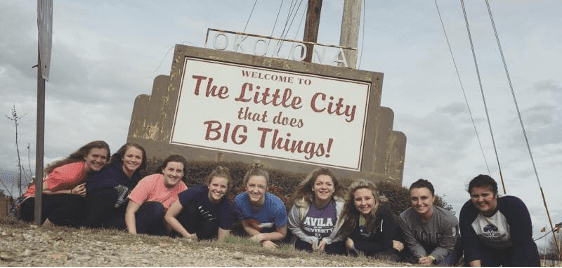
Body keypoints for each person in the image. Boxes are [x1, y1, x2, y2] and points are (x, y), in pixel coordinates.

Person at [19, 140, 110, 227]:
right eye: (95, 156)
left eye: (103, 157)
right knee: (75, 200)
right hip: (31, 203)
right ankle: (45, 227)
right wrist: (70, 192)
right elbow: (38, 191)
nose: (98, 160)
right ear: (85, 156)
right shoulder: (71, 174)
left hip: (50, 202)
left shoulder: (93, 173)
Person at [459, 174, 540, 267]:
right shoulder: (467, 211)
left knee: (528, 250)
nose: (480, 200)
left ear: (495, 194)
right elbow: (470, 246)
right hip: (487, 250)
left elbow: (522, 244)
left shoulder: (514, 206)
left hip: (515, 248)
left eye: (485, 195)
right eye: (475, 196)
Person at [81, 143, 147, 229]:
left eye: (138, 157)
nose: (133, 160)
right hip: (92, 209)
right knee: (111, 193)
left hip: (112, 213)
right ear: (122, 157)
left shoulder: (138, 180)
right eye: (130, 156)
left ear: (142, 161)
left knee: (119, 225)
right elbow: (90, 191)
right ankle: (86, 225)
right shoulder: (108, 171)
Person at [338, 179, 404, 261]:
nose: (363, 203)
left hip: (390, 254)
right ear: (353, 201)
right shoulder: (353, 215)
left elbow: (385, 244)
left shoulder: (384, 213)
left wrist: (355, 245)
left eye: (367, 198)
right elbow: (351, 239)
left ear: (375, 198)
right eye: (358, 199)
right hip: (368, 252)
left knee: (381, 257)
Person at [398, 179, 460, 266]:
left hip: (446, 248)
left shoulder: (448, 219)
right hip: (422, 247)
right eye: (414, 199)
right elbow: (412, 243)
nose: (419, 203)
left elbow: (447, 246)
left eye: (424, 198)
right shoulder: (404, 218)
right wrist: (423, 257)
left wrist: (432, 257)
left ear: (433, 198)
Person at [164, 165, 235, 241]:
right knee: (191, 207)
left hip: (204, 236)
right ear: (208, 185)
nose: (218, 189)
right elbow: (169, 216)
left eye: (223, 187)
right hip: (184, 230)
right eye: (215, 185)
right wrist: (187, 235)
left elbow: (222, 240)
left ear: (227, 189)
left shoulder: (227, 207)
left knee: (210, 223)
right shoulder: (194, 192)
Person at [287, 168, 347, 254]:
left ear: (333, 189)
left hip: (332, 245)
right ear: (312, 187)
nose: (324, 187)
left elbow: (345, 232)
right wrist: (310, 239)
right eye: (319, 184)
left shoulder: (341, 207)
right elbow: (293, 226)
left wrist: (328, 240)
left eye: (329, 184)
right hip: (305, 243)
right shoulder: (301, 204)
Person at [125, 154, 188, 236]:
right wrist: (132, 234)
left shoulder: (183, 189)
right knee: (157, 207)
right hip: (142, 220)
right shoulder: (149, 181)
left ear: (183, 174)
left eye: (178, 171)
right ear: (163, 170)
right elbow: (130, 211)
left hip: (161, 225)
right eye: (171, 169)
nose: (174, 174)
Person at [234, 161, 288, 248]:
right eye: (252, 185)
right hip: (250, 236)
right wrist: (262, 240)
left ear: (266, 189)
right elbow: (246, 226)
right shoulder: (239, 201)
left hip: (274, 240)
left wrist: (262, 237)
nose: (255, 190)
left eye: (260, 186)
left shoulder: (278, 206)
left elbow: (282, 233)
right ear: (246, 187)